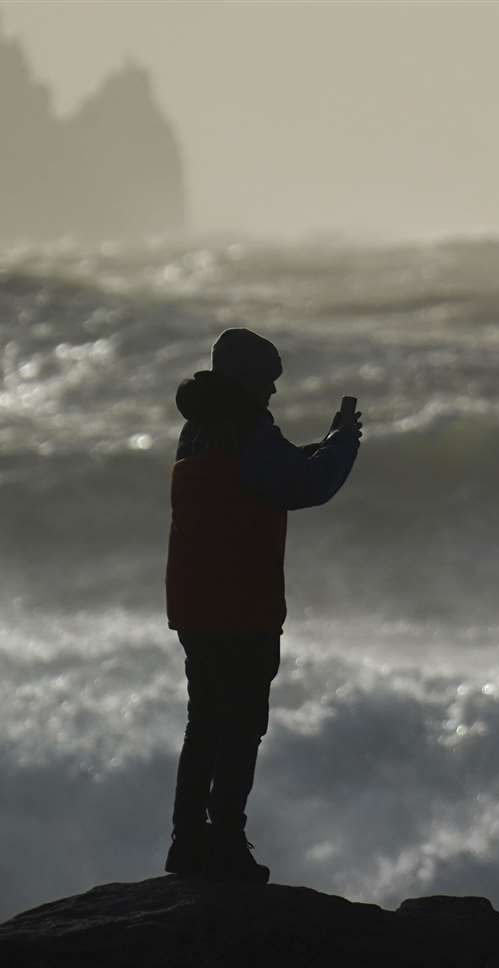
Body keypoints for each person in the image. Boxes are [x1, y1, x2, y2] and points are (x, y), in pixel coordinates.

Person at [163, 328, 362, 883]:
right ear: (247, 379)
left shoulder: (197, 428)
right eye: (268, 382)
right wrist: (344, 442)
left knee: (203, 723)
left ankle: (187, 844)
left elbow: (266, 475)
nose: (273, 393)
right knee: (242, 725)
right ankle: (226, 844)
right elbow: (305, 486)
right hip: (239, 604)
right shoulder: (247, 428)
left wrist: (319, 446)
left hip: (195, 601)